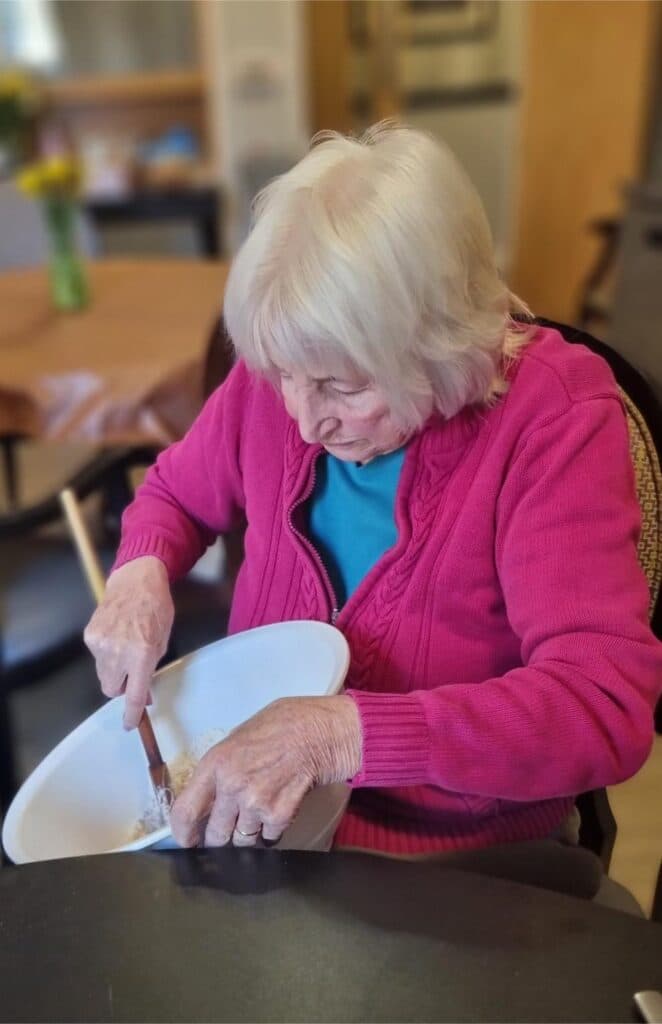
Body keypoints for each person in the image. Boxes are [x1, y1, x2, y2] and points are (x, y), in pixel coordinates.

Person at [84, 122, 662, 861]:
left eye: (341, 386)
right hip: (266, 827)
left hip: (453, 858)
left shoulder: (555, 420)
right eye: (283, 374)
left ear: (445, 343)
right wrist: (139, 571)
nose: (302, 416)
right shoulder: (287, 372)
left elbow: (598, 711)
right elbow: (175, 493)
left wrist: (338, 733)